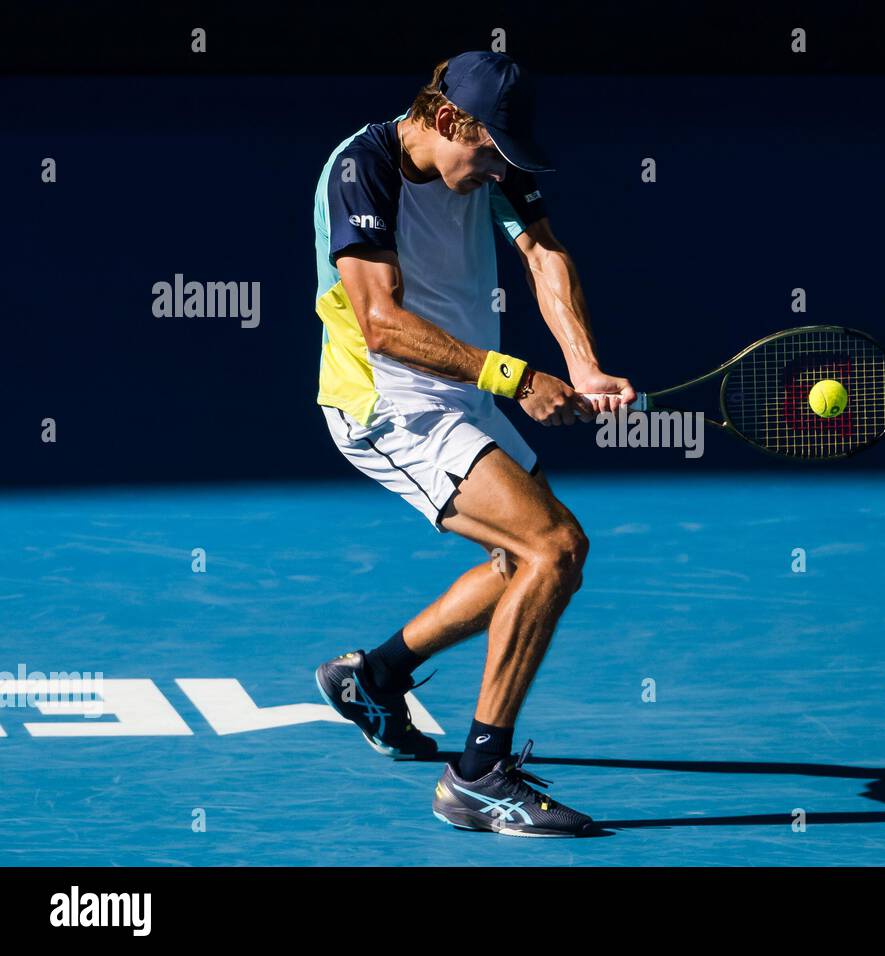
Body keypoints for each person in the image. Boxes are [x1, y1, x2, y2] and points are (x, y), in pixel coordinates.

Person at [310, 51, 634, 837]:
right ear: (449, 119)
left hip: (462, 387)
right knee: (552, 548)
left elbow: (542, 251)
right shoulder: (362, 168)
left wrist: (581, 364)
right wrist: (517, 378)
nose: (498, 172)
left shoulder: (490, 166)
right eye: (489, 153)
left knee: (522, 562)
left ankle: (375, 678)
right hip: (388, 402)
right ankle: (479, 777)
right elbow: (381, 323)